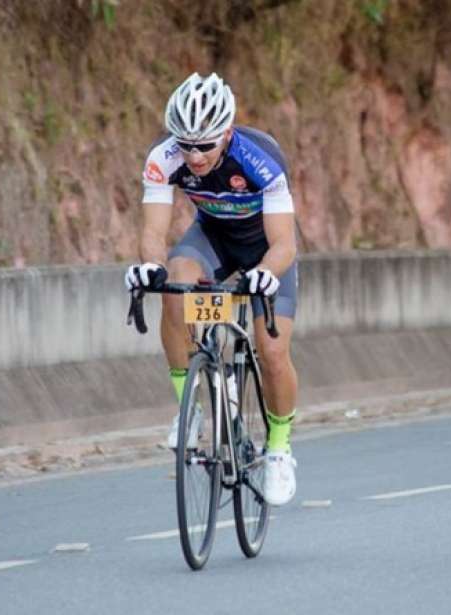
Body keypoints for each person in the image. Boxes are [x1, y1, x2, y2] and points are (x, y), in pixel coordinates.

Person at [124, 72, 300, 506]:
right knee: (175, 285)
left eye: (204, 145)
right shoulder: (164, 158)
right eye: (185, 144)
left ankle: (279, 449)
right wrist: (150, 267)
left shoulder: (260, 159)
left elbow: (285, 243)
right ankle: (192, 408)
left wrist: (265, 273)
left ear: (226, 133)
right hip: (213, 240)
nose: (194, 155)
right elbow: (153, 231)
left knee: (272, 350)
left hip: (265, 250)